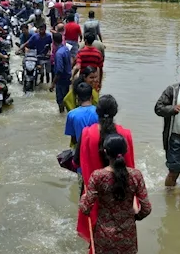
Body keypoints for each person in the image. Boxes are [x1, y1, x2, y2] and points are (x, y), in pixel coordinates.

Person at [75, 95, 136, 242]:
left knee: (95, 239)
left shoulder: (87, 134)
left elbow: (77, 161)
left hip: (94, 195)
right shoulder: (125, 134)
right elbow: (130, 166)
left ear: (97, 111)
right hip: (120, 193)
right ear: (115, 112)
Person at [79, 134, 151, 254]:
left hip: (104, 235)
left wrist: (83, 197)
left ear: (105, 152)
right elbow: (146, 208)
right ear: (125, 151)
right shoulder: (136, 175)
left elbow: (86, 208)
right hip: (128, 233)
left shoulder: (98, 176)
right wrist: (134, 217)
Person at [64, 82, 98, 149]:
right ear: (91, 97)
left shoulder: (71, 114)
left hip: (80, 150)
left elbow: (73, 139)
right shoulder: (99, 112)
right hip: (95, 149)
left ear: (77, 98)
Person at [49, 33, 72, 113]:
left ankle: (62, 114)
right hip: (68, 78)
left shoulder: (59, 53)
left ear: (54, 41)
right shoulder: (66, 49)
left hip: (61, 80)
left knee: (60, 100)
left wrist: (53, 83)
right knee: (66, 98)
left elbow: (59, 70)